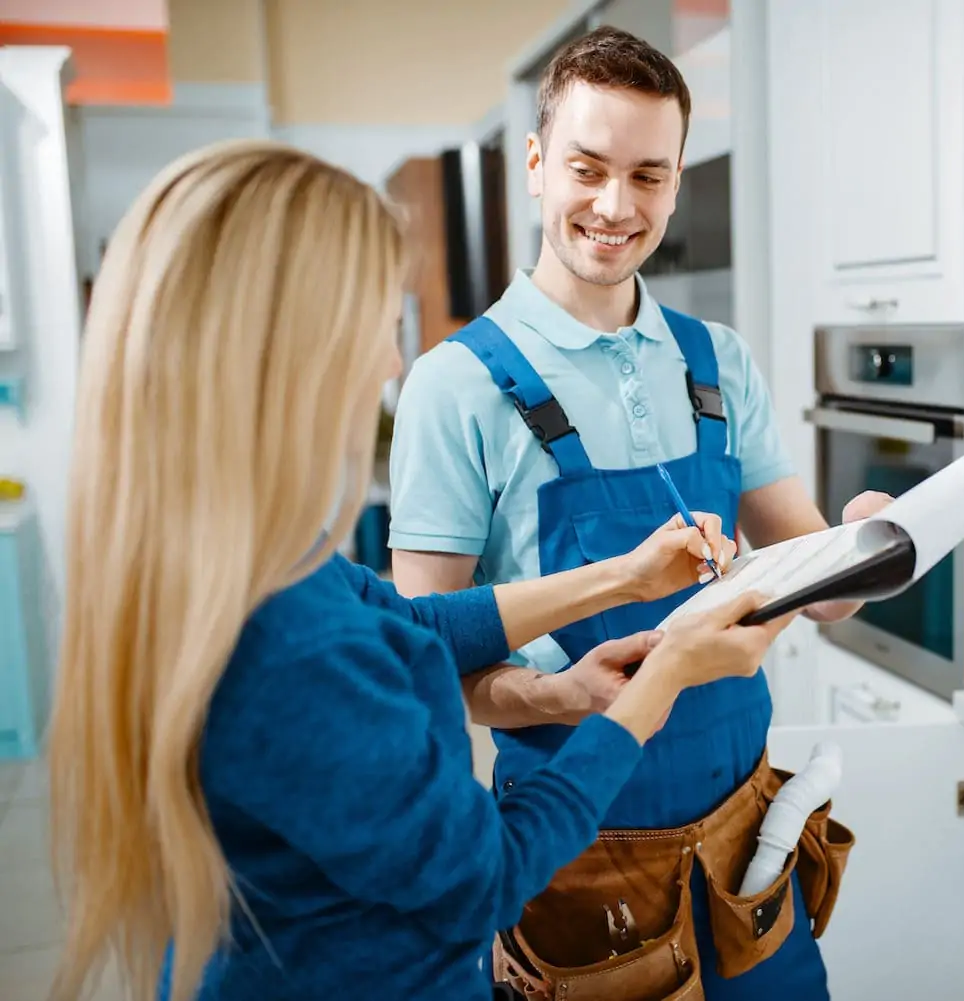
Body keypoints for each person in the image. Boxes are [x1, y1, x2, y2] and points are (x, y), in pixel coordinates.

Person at [45, 139, 797, 1001]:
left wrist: (622, 579)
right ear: (290, 352)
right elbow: (485, 874)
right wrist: (660, 679)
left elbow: (412, 623)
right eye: (374, 322)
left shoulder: (239, 566)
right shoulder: (293, 647)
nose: (389, 361)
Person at [388, 26, 890, 1001]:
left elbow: (819, 593)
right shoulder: (454, 388)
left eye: (649, 177)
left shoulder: (718, 360)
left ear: (675, 178)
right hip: (579, 862)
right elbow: (419, 670)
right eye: (588, 168)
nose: (617, 207)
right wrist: (558, 694)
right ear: (536, 166)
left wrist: (867, 547)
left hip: (752, 846)